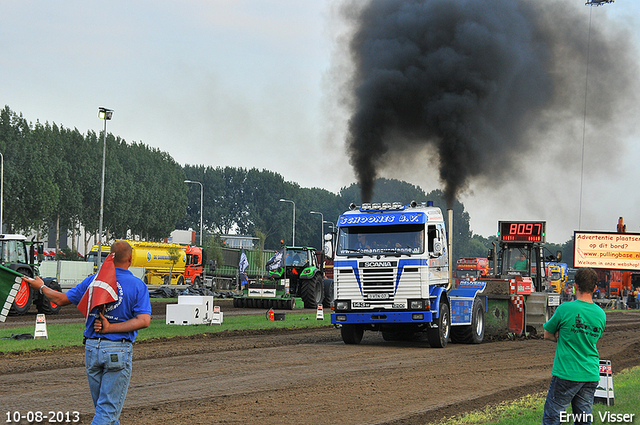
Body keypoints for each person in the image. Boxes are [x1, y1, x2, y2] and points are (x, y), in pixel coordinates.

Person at [25, 240, 151, 425]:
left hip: (92, 349)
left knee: (105, 411)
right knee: (107, 411)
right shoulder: (138, 285)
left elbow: (59, 299)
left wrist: (41, 287)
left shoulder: (93, 281)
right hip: (117, 350)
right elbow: (144, 320)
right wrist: (111, 328)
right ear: (130, 259)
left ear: (110, 257)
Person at [542, 267, 606, 425]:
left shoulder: (565, 309)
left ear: (575, 286)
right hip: (590, 373)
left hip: (567, 372)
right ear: (595, 288)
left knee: (553, 417)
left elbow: (547, 334)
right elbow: (591, 338)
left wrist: (561, 337)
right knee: (583, 419)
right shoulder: (600, 314)